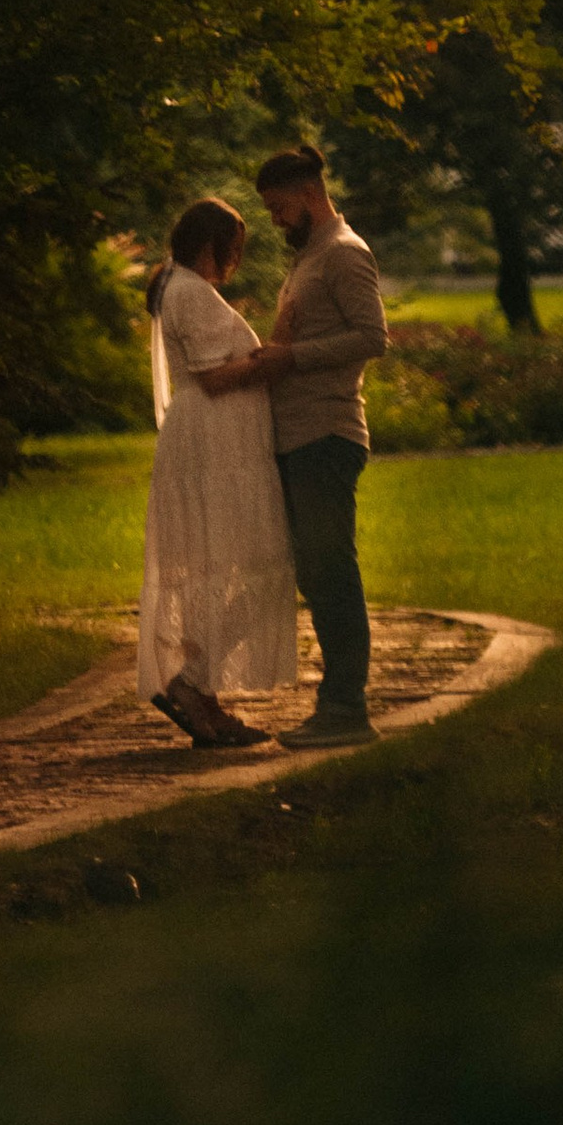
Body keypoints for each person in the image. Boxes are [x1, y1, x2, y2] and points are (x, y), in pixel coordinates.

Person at [229, 141, 389, 749]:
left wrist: (290, 358)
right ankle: (337, 704)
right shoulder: (309, 258)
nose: (273, 220)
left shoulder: (345, 255)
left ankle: (346, 708)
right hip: (297, 435)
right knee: (317, 574)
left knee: (331, 569)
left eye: (277, 208)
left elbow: (372, 337)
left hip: (328, 432)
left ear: (307, 195)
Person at [137, 198, 298, 748]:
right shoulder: (190, 292)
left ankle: (200, 691)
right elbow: (211, 376)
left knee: (235, 568)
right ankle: (193, 685)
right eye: (233, 249)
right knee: (249, 567)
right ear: (213, 245)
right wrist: (270, 359)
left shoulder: (183, 288)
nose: (235, 260)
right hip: (214, 446)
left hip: (217, 445)